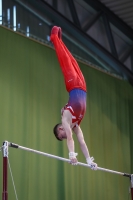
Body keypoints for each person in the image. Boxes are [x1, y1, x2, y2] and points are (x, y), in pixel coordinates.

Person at [50, 26, 97, 170]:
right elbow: (81, 142)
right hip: (82, 86)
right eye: (62, 137)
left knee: (64, 60)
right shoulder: (76, 126)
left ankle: (54, 38)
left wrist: (72, 155)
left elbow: (70, 138)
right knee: (71, 58)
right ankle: (60, 40)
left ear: (60, 128)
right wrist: (89, 161)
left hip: (72, 84)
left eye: (61, 135)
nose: (64, 135)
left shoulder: (66, 117)